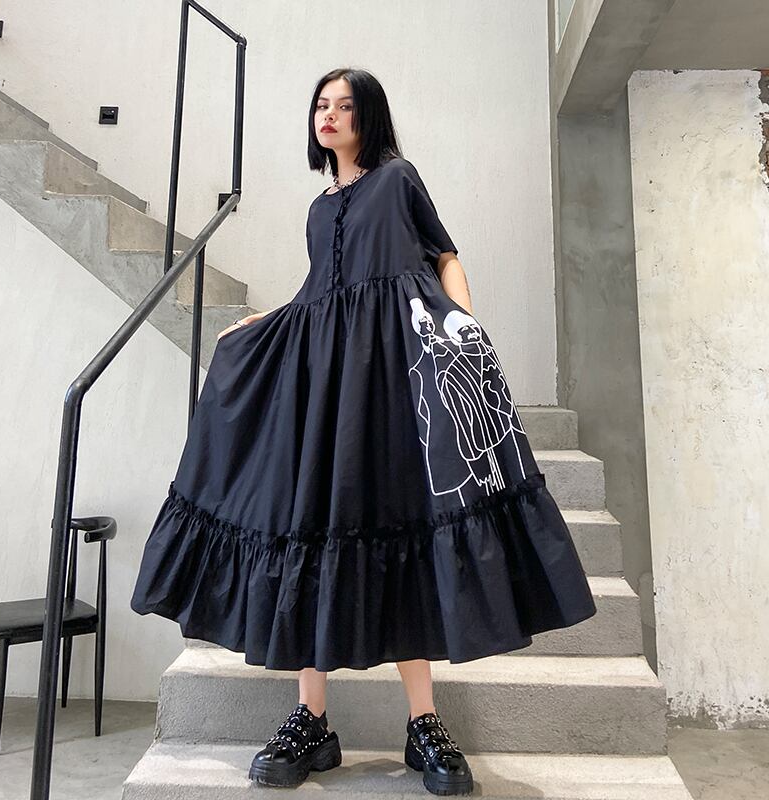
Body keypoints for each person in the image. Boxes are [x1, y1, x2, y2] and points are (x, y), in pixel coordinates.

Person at [130, 67, 597, 796]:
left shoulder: (397, 179)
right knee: (312, 526)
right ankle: (311, 720)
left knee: (407, 519)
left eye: (344, 105)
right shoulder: (318, 209)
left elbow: (444, 256)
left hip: (396, 376)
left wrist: (463, 327)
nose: (329, 115)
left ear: (367, 116)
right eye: (321, 105)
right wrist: (264, 323)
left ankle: (424, 724)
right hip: (328, 385)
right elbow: (321, 291)